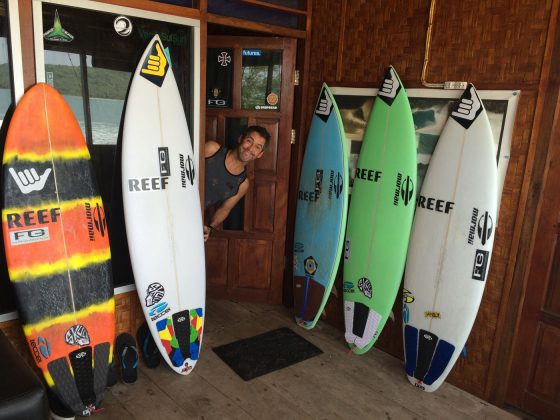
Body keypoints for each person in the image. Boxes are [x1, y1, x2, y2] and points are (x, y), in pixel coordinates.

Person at [203, 125, 270, 241]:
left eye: (257, 147)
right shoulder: (212, 149)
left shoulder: (242, 184)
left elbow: (224, 209)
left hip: (190, 213)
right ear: (240, 139)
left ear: (260, 154)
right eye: (249, 141)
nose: (250, 149)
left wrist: (209, 227)